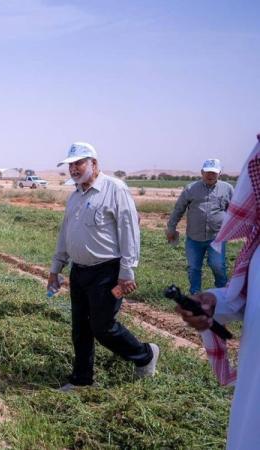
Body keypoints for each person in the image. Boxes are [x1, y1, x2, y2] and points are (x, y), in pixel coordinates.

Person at [47, 142, 159, 391]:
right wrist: (56, 268)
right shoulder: (75, 196)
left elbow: (129, 231)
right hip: (79, 271)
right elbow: (65, 234)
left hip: (107, 271)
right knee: (80, 328)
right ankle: (81, 380)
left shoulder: (115, 189)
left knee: (102, 327)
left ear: (94, 163)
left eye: (78, 163)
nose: (73, 169)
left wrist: (127, 271)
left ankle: (145, 355)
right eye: (70, 165)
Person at [176, 135, 260, 449]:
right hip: (251, 415)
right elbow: (249, 301)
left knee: (217, 265)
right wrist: (217, 301)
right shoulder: (258, 254)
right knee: (196, 271)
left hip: (214, 240)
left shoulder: (225, 190)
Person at [166, 158, 235, 294]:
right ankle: (195, 294)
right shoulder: (190, 189)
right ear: (202, 172)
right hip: (194, 238)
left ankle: (222, 294)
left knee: (218, 265)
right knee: (194, 268)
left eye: (214, 173)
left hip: (217, 237)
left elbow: (235, 211)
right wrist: (171, 227)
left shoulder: (227, 189)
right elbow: (178, 209)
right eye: (208, 172)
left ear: (219, 173)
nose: (210, 175)